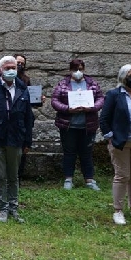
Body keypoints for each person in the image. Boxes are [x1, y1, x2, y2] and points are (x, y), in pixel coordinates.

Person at [0, 56, 33, 223]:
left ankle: (13, 208)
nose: (11, 70)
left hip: (16, 139)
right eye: (8, 67)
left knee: (13, 176)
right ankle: (2, 208)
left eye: (14, 67)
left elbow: (28, 118)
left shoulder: (23, 89)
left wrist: (27, 141)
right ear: (0, 70)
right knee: (0, 176)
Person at [51, 59, 104, 191]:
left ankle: (89, 180)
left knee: (86, 153)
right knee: (69, 153)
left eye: (80, 69)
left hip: (88, 125)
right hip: (69, 125)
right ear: (70, 70)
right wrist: (67, 108)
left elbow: (101, 98)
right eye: (75, 69)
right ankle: (68, 179)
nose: (78, 72)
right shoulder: (63, 84)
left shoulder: (92, 83)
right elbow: (54, 100)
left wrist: (91, 107)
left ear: (84, 69)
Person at [100, 64, 131, 225]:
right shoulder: (114, 95)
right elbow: (104, 119)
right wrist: (110, 138)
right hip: (121, 143)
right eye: (130, 75)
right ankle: (118, 210)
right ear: (123, 77)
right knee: (122, 175)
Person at [14, 53, 45, 183]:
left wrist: (39, 100)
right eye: (17, 62)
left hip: (24, 119)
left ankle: (18, 176)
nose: (19, 65)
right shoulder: (1, 79)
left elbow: (30, 101)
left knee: (23, 148)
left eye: (22, 63)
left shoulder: (26, 80)